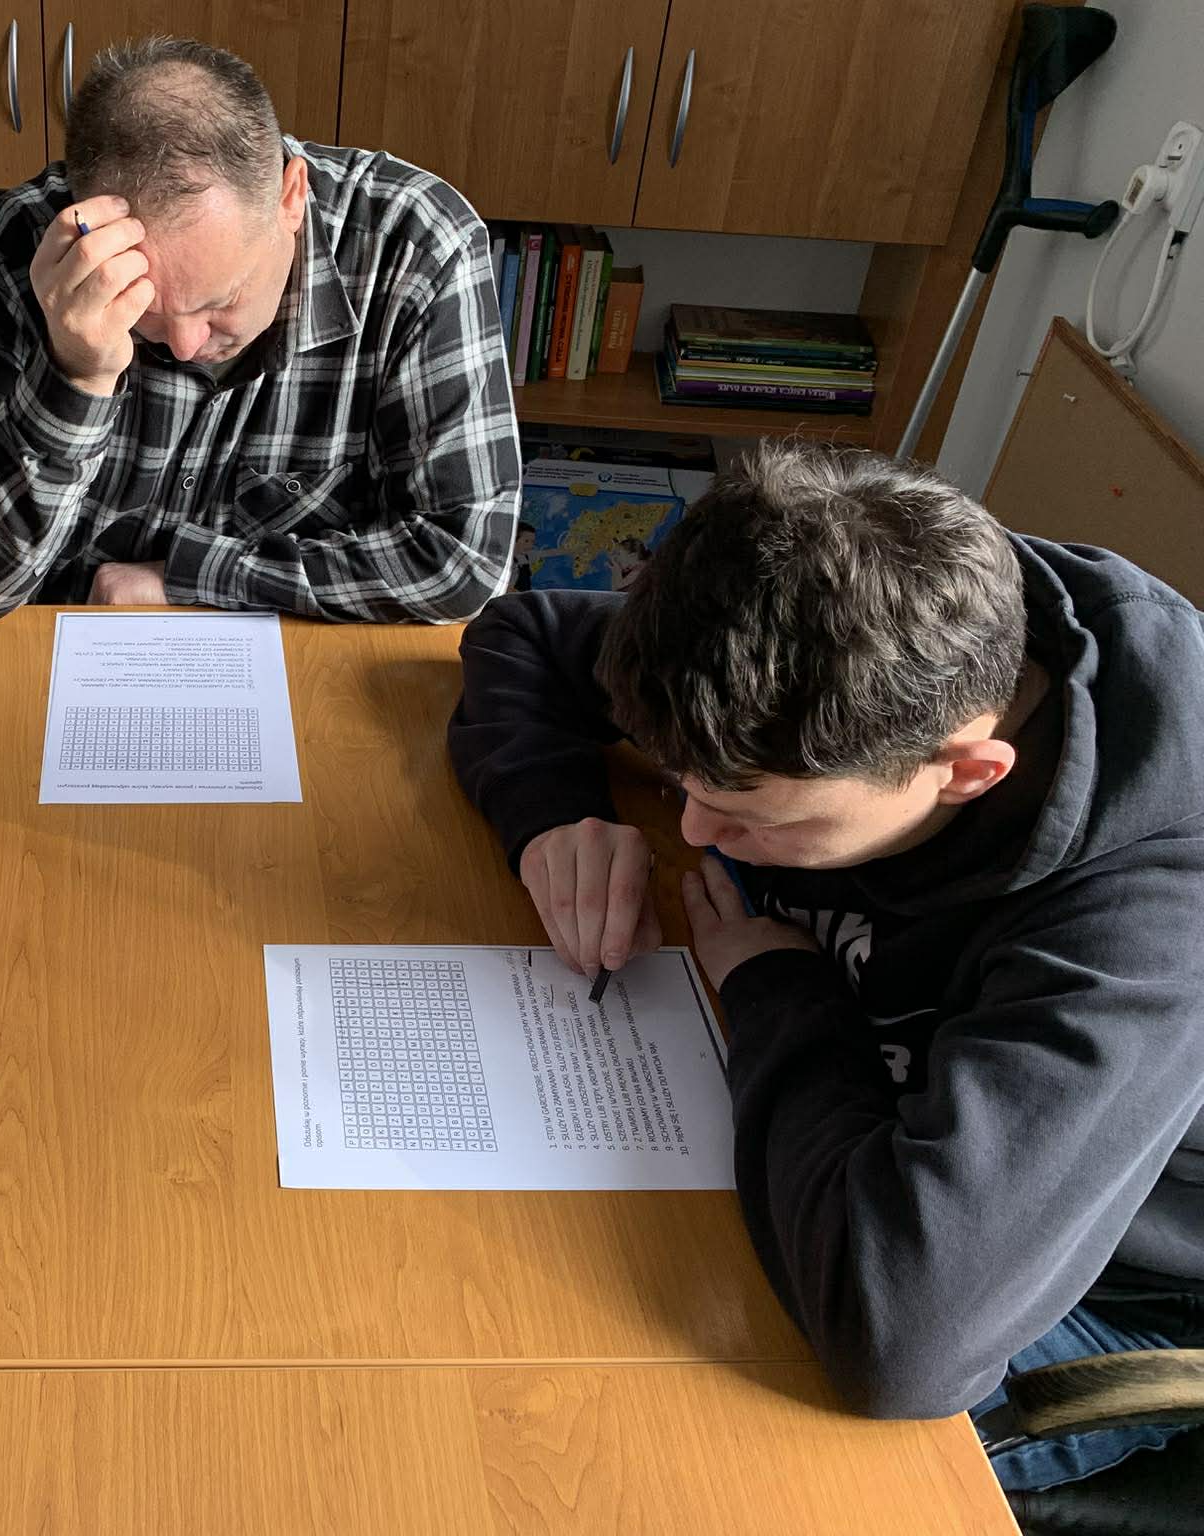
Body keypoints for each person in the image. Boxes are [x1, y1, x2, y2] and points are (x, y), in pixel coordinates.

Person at [447, 442, 1204, 1492]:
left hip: (1103, 1282)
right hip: (878, 1145)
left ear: (965, 774)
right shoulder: (848, 624)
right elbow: (521, 633)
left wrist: (778, 994)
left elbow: (902, 1338)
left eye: (748, 814)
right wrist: (550, 816)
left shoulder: (1147, 920)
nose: (694, 829)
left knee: (643, 1463)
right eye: (681, 785)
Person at [0, 36, 521, 629]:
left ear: (290, 197)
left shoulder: (416, 245)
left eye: (220, 300)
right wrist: (75, 375)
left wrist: (188, 578)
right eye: (144, 308)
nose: (185, 347)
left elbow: (463, 561)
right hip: (62, 643)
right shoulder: (22, 249)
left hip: (303, 652)